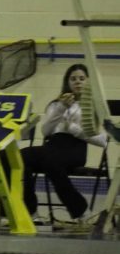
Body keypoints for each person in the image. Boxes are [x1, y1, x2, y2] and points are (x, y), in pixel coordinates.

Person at [20, 64, 108, 223]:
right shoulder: (55, 104)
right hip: (52, 146)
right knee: (21, 157)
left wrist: (73, 129)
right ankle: (30, 211)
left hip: (75, 148)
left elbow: (102, 141)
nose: (77, 82)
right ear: (67, 82)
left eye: (82, 78)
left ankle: (80, 210)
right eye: (73, 79)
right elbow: (46, 132)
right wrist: (61, 108)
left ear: (88, 82)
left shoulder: (92, 106)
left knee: (50, 160)